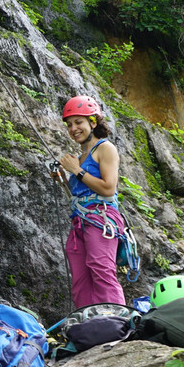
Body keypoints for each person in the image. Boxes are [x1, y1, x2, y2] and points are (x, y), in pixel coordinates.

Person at [56, 95, 126, 308]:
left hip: (101, 218)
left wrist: (76, 170)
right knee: (80, 277)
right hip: (81, 220)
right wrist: (62, 178)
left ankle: (117, 320)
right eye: (69, 125)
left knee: (101, 269)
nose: (73, 128)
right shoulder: (81, 156)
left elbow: (108, 187)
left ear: (93, 123)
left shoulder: (105, 149)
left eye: (79, 122)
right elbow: (79, 192)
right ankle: (88, 323)